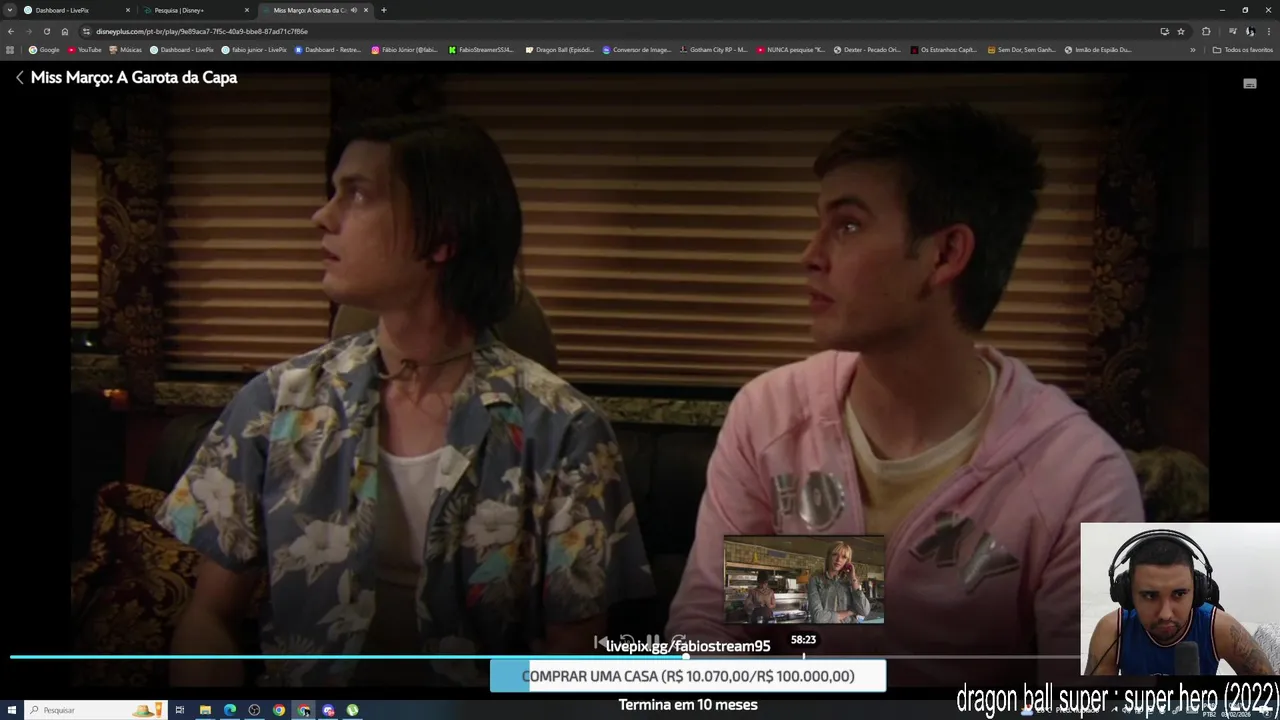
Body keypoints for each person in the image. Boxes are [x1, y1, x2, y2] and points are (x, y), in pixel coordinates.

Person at [156, 114, 654, 687]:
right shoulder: (276, 404)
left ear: (442, 237)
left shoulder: (562, 429)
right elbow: (210, 618)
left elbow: (573, 665)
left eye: (357, 194)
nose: (322, 216)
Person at [666, 104, 1144, 683]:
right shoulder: (771, 415)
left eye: (847, 225)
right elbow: (710, 630)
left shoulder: (1081, 479)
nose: (809, 255)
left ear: (944, 255)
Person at [1086, 535, 1275, 676]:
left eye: (1179, 594)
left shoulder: (1220, 629)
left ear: (1198, 591)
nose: (1165, 614)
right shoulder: (1112, 631)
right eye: (1150, 596)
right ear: (1128, 595)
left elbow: (1270, 699)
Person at [807, 542, 870, 624]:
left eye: (844, 557)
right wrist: (850, 612)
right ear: (829, 556)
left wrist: (853, 579)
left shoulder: (850, 582)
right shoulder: (815, 580)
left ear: (847, 561)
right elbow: (818, 618)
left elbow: (864, 611)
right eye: (835, 554)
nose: (839, 559)